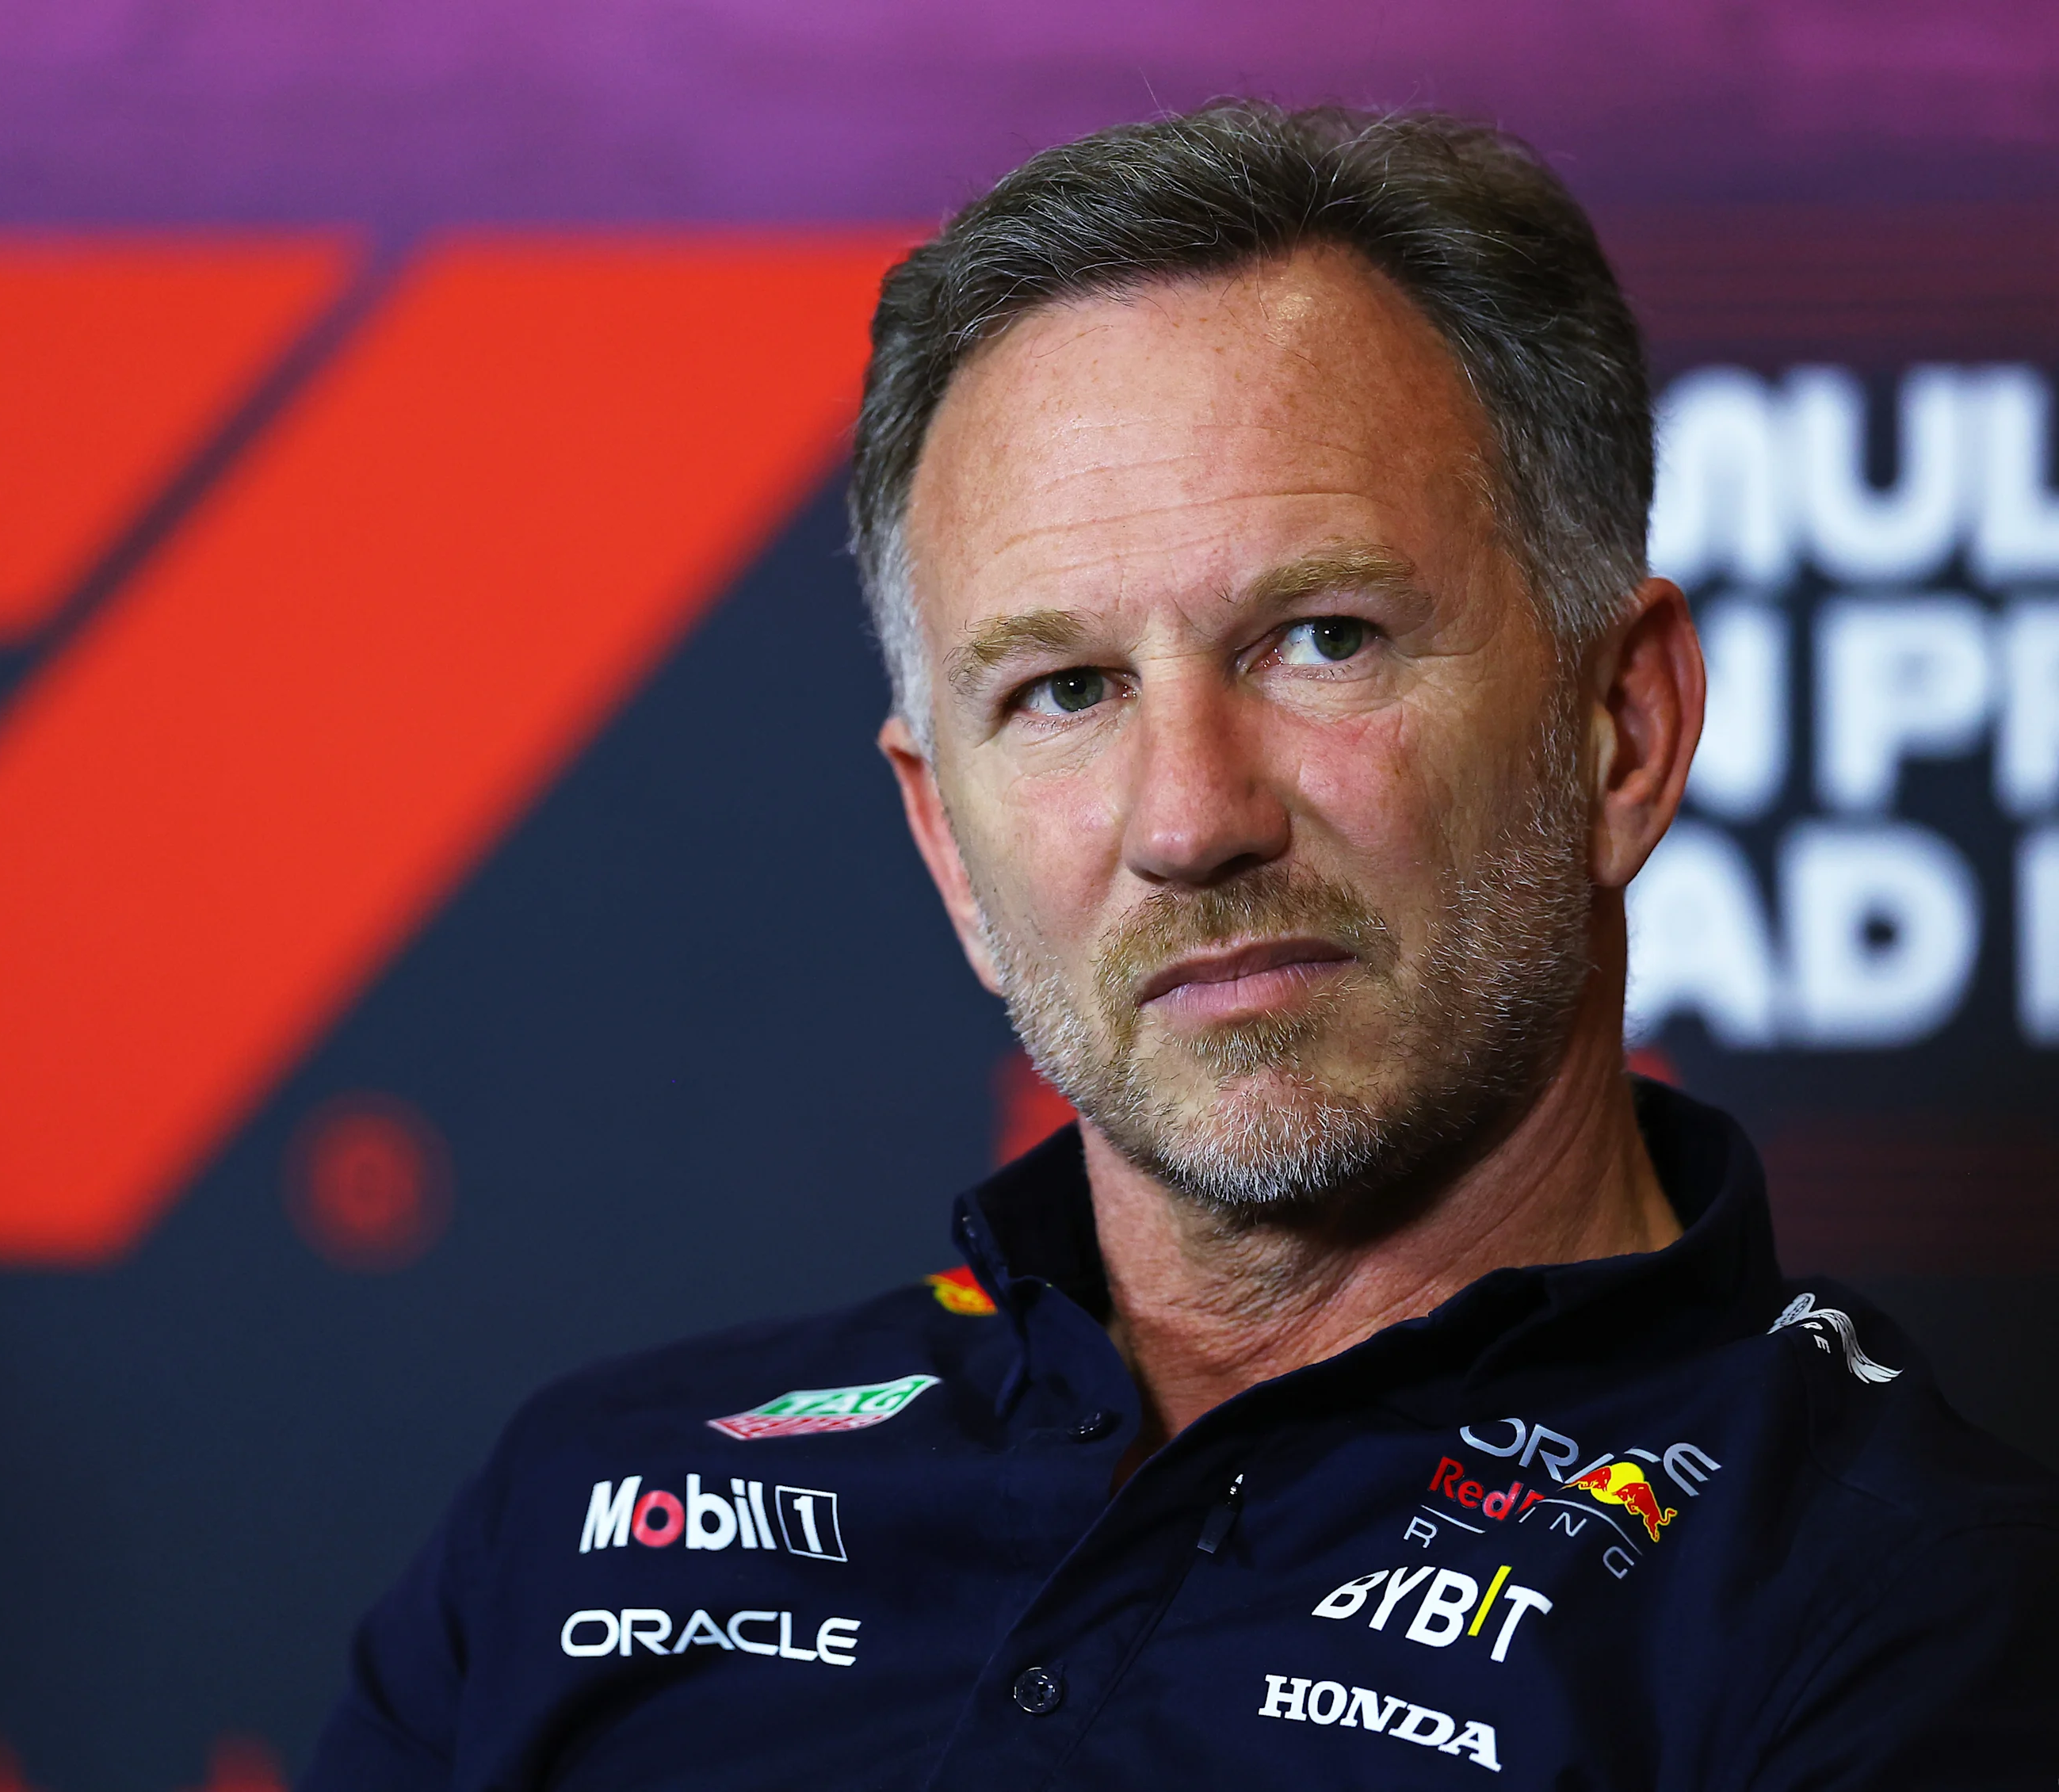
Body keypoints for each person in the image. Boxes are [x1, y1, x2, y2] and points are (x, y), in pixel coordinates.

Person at [299, 102, 2059, 1789]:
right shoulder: (578, 1514)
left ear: (1620, 728)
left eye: (1319, 639)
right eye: (1063, 690)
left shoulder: (1902, 1609)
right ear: (946, 841)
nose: (1189, 817)